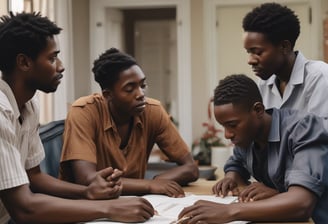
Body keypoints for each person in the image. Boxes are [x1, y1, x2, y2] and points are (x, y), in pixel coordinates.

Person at [0, 12, 155, 224]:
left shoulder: (29, 105)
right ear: (24, 62)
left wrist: (87, 192)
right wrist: (108, 208)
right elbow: (24, 209)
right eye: (52, 58)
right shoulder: (1, 112)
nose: (61, 66)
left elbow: (34, 177)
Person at [178, 74, 328, 223]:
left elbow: (301, 204)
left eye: (232, 125)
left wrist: (230, 211)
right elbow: (236, 163)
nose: (227, 134)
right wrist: (231, 178)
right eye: (223, 126)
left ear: (258, 110)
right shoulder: (248, 136)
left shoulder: (303, 128)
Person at [59, 48, 199, 198]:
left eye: (143, 85)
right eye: (129, 89)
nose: (141, 94)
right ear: (108, 95)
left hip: (133, 201)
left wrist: (159, 180)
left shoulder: (153, 111)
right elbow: (87, 180)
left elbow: (190, 167)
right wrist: (149, 185)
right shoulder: (83, 112)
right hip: (85, 205)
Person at [243, 2, 328, 117]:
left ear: (284, 47)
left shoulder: (319, 77)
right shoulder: (264, 84)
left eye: (257, 52)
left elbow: (320, 133)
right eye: (249, 52)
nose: (250, 60)